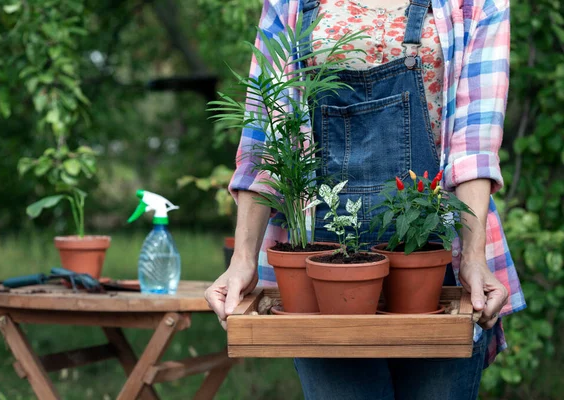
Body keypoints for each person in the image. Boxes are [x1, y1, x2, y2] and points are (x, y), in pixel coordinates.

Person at [205, 0, 526, 398]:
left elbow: (474, 143)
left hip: (437, 258)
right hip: (321, 269)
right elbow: (266, 138)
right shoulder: (289, 4)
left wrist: (475, 258)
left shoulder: (475, 4)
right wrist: (242, 261)